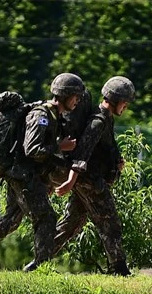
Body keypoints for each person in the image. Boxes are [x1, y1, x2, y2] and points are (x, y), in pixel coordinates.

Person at [0, 73, 83, 270]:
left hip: (23, 176)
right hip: (23, 177)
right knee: (46, 218)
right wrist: (59, 147)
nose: (77, 101)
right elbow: (32, 149)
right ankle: (40, 268)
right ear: (64, 95)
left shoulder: (54, 116)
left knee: (9, 222)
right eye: (75, 96)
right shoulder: (42, 116)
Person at [50, 76, 135, 276]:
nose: (126, 107)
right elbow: (83, 152)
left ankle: (38, 261)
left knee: (71, 225)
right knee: (110, 223)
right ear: (115, 100)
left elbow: (103, 149)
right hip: (91, 181)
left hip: (89, 179)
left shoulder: (106, 118)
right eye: (125, 103)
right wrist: (71, 181)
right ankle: (120, 270)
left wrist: (116, 162)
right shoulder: (98, 121)